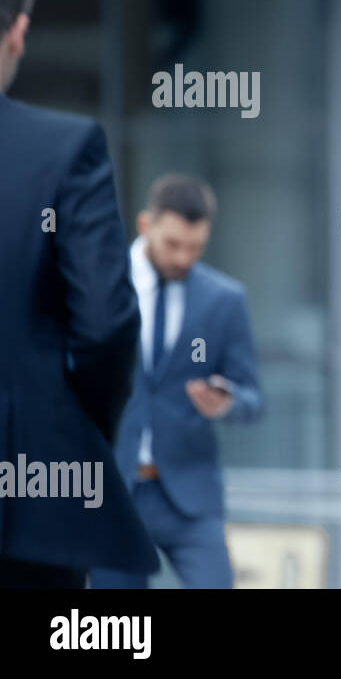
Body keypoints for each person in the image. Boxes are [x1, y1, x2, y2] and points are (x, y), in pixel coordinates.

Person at [0, 0, 158, 588]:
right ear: (18, 31)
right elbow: (105, 325)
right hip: (28, 502)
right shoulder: (65, 151)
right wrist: (64, 425)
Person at [89, 174, 264, 589]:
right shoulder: (98, 287)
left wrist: (228, 402)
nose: (184, 257)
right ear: (146, 225)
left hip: (190, 498)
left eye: (196, 247)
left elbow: (254, 397)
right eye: (173, 244)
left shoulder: (224, 299)